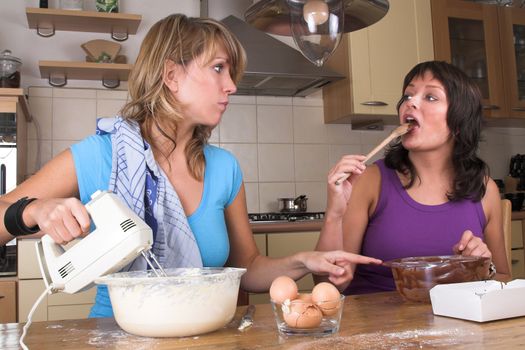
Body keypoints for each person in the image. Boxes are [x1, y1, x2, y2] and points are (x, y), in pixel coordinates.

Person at [0, 14, 381, 317]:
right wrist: (32, 210)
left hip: (210, 333)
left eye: (232, 73)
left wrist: (303, 260)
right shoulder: (100, 155)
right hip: (117, 334)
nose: (231, 85)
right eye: (218, 68)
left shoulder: (224, 168)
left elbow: (246, 269)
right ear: (171, 76)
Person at [315, 60, 511, 295]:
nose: (411, 102)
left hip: (455, 328)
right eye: (408, 95)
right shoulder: (370, 180)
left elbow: (503, 278)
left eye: (430, 97)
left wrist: (480, 268)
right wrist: (334, 214)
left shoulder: (484, 190)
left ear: (459, 122)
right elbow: (328, 286)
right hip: (375, 326)